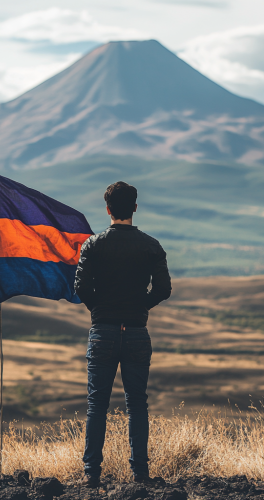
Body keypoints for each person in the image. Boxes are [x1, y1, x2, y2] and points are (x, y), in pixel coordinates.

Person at [74, 181, 172, 487]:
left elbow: (80, 287)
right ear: (134, 208)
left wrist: (100, 309)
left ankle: (91, 473)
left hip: (102, 331)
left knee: (96, 404)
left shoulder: (93, 244)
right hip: (136, 334)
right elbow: (164, 289)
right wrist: (139, 306)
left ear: (108, 210)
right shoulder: (151, 246)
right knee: (137, 404)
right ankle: (140, 473)